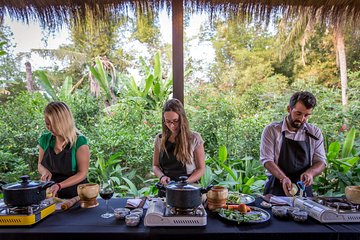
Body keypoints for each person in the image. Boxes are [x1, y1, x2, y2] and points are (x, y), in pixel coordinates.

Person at [260, 91, 326, 197]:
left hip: (303, 190)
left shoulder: (315, 133)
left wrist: (310, 173)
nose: (302, 119)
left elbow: (321, 162)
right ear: (289, 109)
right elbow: (267, 160)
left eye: (306, 115)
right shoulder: (271, 130)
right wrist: (283, 178)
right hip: (276, 188)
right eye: (298, 113)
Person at [38, 101, 90, 199]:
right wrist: (44, 171)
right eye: (47, 124)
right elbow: (40, 164)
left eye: (52, 124)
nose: (49, 128)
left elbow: (82, 173)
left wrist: (59, 185)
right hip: (52, 195)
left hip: (76, 196)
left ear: (63, 122)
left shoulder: (79, 141)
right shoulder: (45, 139)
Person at [153, 98, 205, 185]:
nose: (171, 125)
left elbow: (201, 169)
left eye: (175, 121)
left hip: (188, 187)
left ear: (182, 119)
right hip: (167, 187)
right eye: (168, 121)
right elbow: (155, 166)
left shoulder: (194, 138)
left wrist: (184, 183)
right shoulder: (159, 138)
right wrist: (162, 177)